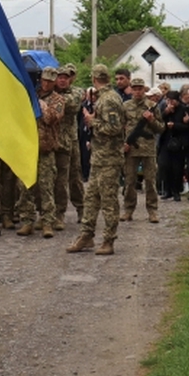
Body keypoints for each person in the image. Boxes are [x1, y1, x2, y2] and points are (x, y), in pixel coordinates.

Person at [67, 64, 126, 255]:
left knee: (108, 201)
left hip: (109, 159)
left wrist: (93, 122)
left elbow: (114, 128)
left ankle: (109, 240)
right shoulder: (104, 98)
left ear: (94, 79)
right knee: (91, 198)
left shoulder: (109, 100)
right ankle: (86, 235)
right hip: (99, 157)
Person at [16, 66, 65, 237]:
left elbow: (53, 118)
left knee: (46, 187)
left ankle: (47, 222)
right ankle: (27, 220)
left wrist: (41, 105)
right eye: (44, 80)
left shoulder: (58, 100)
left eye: (50, 81)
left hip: (46, 148)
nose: (46, 84)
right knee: (25, 187)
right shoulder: (31, 96)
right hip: (28, 148)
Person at [121, 78, 165, 222]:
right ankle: (128, 209)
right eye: (135, 88)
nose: (138, 91)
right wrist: (123, 143)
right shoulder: (125, 106)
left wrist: (152, 120)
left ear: (144, 90)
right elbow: (120, 128)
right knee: (129, 181)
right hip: (131, 149)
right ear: (131, 90)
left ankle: (152, 211)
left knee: (150, 181)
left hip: (148, 149)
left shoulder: (151, 105)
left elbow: (161, 128)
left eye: (140, 88)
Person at [54, 64, 85, 226]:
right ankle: (57, 212)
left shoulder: (76, 92)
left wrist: (52, 100)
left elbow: (72, 105)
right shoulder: (47, 92)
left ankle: (81, 208)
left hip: (70, 140)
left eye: (67, 77)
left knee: (74, 177)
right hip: (52, 141)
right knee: (57, 179)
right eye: (60, 77)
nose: (63, 80)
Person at [158, 90, 186, 201]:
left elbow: (187, 126)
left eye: (172, 100)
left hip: (178, 142)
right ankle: (167, 190)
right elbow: (157, 121)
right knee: (165, 166)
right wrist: (166, 113)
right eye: (168, 100)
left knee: (177, 168)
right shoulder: (164, 109)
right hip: (165, 141)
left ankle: (176, 191)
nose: (170, 103)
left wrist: (175, 126)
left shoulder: (183, 109)